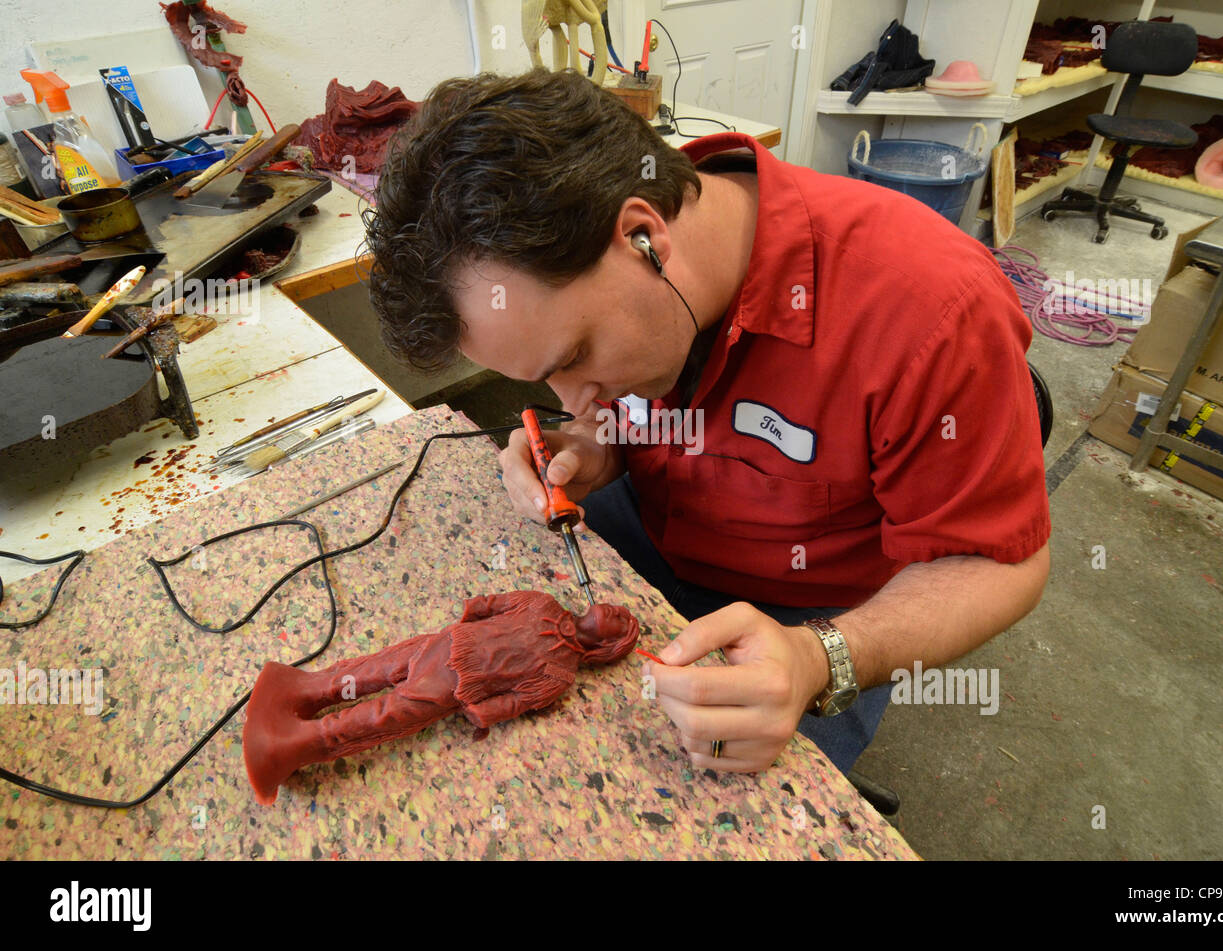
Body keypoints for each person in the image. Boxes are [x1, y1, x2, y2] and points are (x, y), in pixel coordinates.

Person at [363, 68, 1051, 780]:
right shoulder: (637, 282)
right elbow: (615, 415)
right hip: (657, 530)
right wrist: (601, 444)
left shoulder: (930, 309)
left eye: (575, 356)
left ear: (644, 237)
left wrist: (821, 658)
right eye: (542, 376)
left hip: (813, 603)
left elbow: (998, 562)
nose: (572, 397)